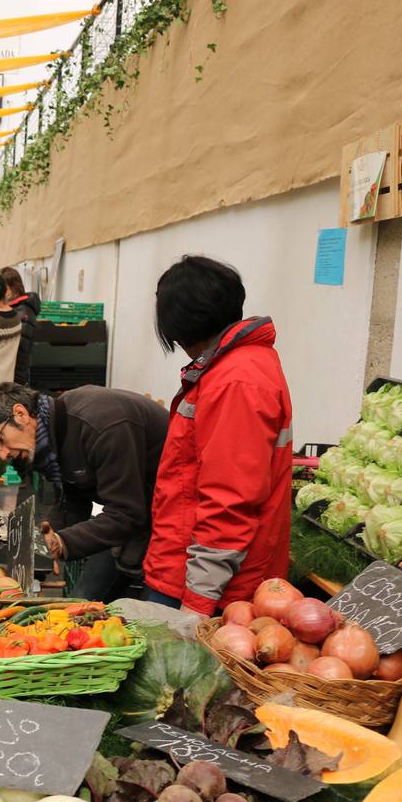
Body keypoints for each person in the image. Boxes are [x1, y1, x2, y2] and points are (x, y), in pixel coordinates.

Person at [144, 256, 293, 617]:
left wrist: (195, 604)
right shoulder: (230, 368)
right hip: (187, 569)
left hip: (209, 589)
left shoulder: (235, 381)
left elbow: (230, 499)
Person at [0, 382, 170, 602]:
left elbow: (127, 513)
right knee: (82, 601)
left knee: (148, 616)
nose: (2, 455)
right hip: (133, 516)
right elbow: (74, 495)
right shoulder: (55, 433)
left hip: (171, 525)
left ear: (20, 414)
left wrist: (63, 541)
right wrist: (48, 535)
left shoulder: (101, 424)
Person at [1, 266, 41, 385]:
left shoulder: (22, 313)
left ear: (15, 288)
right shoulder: (14, 309)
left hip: (13, 377)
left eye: (4, 289)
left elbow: (19, 351)